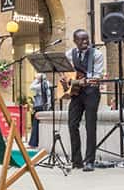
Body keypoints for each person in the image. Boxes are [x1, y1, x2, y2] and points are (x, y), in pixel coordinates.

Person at [62, 29, 104, 172]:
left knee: (90, 126)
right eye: (82, 39)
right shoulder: (69, 54)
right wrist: (66, 82)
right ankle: (76, 161)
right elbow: (65, 73)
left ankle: (89, 161)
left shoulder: (96, 55)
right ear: (75, 41)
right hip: (75, 93)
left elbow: (96, 78)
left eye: (87, 39)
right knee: (72, 124)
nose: (85, 41)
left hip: (91, 92)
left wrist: (79, 82)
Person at [27, 73, 52, 149]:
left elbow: (31, 87)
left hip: (39, 106)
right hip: (44, 106)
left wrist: (36, 80)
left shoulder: (41, 85)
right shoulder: (47, 83)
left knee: (35, 125)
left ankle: (33, 144)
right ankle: (35, 143)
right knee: (37, 125)